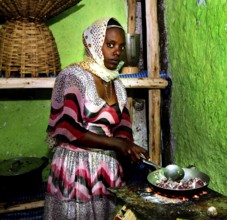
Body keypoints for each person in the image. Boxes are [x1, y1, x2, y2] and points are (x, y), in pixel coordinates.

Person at [44, 17, 149, 219]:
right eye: (110, 44)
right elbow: (68, 128)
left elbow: (122, 126)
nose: (117, 52)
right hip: (76, 169)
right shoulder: (74, 76)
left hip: (106, 168)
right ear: (93, 43)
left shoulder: (116, 85)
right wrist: (117, 144)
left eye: (120, 46)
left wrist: (128, 146)